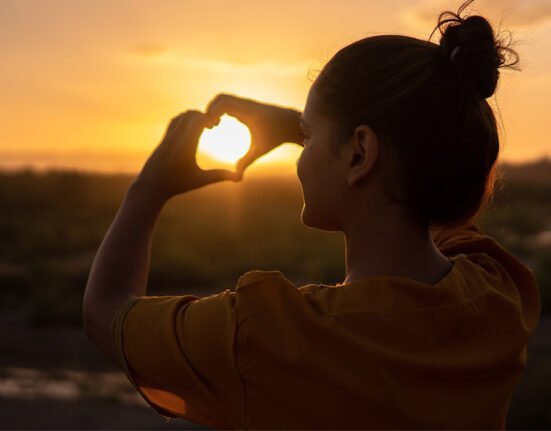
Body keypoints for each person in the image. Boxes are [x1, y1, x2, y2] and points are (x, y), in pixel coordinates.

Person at [82, 0, 541, 429]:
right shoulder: (498, 294)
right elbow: (433, 181)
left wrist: (149, 189)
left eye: (308, 136)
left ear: (360, 153)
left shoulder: (265, 335)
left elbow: (106, 313)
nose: (301, 154)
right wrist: (313, 128)